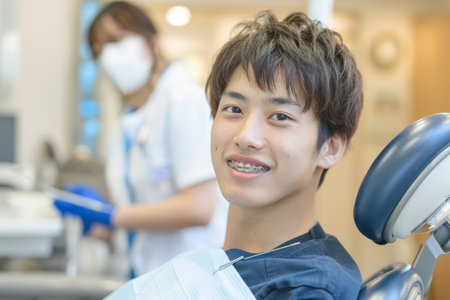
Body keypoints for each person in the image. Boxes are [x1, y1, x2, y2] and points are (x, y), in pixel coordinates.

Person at [104, 9, 364, 299]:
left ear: (330, 148)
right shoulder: (228, 265)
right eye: (233, 110)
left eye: (279, 116)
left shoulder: (308, 289)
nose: (245, 137)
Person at [53, 1, 227, 278]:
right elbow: (142, 212)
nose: (108, 55)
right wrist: (101, 225)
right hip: (146, 275)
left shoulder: (183, 100)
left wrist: (111, 214)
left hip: (191, 279)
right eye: (99, 49)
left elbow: (199, 207)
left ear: (153, 43)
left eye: (116, 41)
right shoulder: (131, 119)